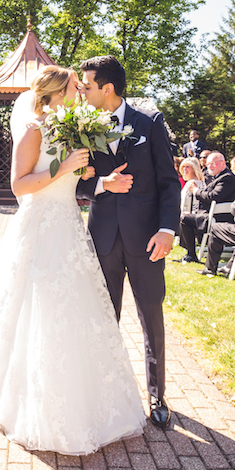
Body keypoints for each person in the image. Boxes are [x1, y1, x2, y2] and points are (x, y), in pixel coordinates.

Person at [0, 63, 147, 455]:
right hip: (39, 227)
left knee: (77, 311)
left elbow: (75, 181)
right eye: (76, 86)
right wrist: (63, 168)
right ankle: (27, 398)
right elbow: (19, 185)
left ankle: (86, 398)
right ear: (59, 93)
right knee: (36, 310)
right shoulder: (34, 130)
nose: (82, 91)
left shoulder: (72, 129)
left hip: (69, 228)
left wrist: (94, 178)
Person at [74, 56, 181, 429]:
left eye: (87, 85)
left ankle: (157, 394)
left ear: (108, 88)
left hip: (147, 238)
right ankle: (107, 393)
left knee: (151, 316)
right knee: (105, 318)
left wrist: (167, 230)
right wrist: (102, 184)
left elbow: (169, 181)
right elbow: (75, 182)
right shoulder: (80, 126)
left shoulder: (149, 122)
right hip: (102, 237)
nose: (81, 91)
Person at [177, 152, 235, 264]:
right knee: (186, 218)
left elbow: (213, 197)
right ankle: (190, 253)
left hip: (220, 218)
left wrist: (196, 191)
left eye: (213, 163)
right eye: (208, 164)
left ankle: (191, 254)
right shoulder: (217, 177)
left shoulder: (227, 178)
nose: (209, 166)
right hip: (211, 215)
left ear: (222, 163)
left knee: (185, 219)